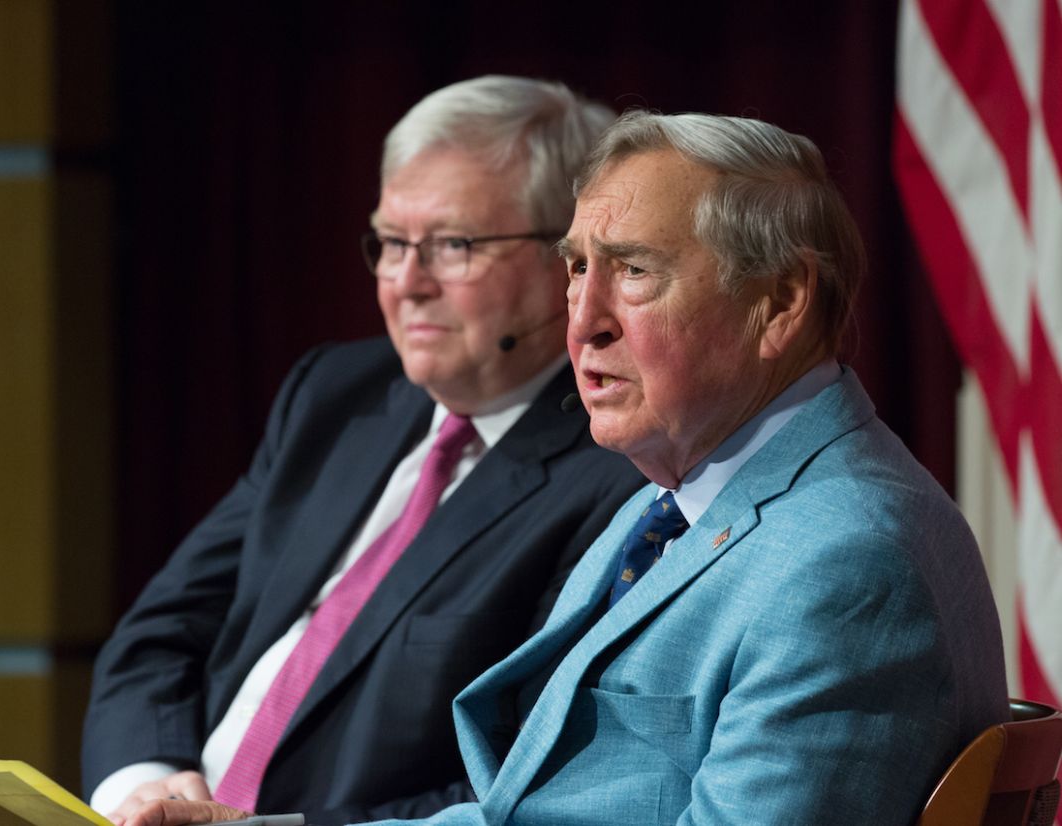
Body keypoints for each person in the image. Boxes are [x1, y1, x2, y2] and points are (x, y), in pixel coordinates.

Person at [120, 110, 1009, 826]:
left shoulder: (845, 561)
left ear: (778, 303)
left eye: (632, 272)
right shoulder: (677, 502)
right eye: (576, 268)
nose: (581, 321)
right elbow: (518, 813)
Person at [83, 75, 645, 826]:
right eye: (390, 243)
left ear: (567, 260)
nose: (406, 283)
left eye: (453, 245)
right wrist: (142, 788)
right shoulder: (335, 395)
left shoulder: (617, 473)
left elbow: (526, 782)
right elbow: (161, 634)